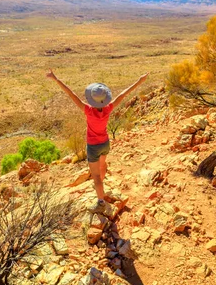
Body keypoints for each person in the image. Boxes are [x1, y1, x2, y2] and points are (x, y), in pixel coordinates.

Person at [46, 69, 148, 206]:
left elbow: (71, 94)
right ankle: (101, 187)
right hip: (105, 143)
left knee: (96, 177)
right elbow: (124, 94)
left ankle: (100, 201)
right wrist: (139, 81)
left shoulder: (88, 110)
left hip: (93, 146)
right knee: (102, 165)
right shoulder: (108, 109)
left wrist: (56, 79)